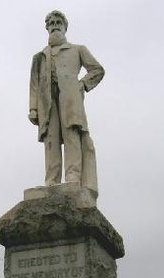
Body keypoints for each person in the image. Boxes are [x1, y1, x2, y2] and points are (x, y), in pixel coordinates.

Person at [29, 10, 104, 192]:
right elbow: (34, 85)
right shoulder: (39, 57)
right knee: (51, 140)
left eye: (58, 22)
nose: (55, 25)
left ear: (64, 26)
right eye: (51, 23)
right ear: (47, 28)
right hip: (47, 102)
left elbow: (97, 70)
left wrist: (82, 85)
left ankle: (73, 177)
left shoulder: (78, 49)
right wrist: (33, 108)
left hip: (70, 99)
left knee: (72, 135)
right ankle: (51, 180)